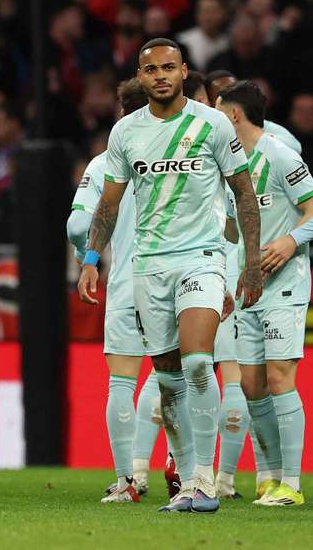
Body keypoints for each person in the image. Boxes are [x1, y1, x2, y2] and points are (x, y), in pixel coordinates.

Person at [78, 38, 262, 513]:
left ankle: (203, 478)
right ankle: (188, 484)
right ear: (140, 77)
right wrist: (91, 260)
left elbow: (244, 194)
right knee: (168, 378)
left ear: (183, 72)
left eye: (168, 67)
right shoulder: (125, 134)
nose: (159, 75)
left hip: (201, 258)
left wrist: (251, 261)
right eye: (150, 69)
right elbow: (109, 205)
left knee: (199, 362)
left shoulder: (213, 124)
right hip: (149, 265)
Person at [216, 81, 312, 507]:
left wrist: (291, 241)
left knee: (278, 378)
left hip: (286, 282)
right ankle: (269, 476)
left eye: (217, 111)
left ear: (234, 115)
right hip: (247, 287)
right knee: (252, 385)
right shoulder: (230, 165)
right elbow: (235, 229)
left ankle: (291, 483)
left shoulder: (279, 154)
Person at [68, 77, 152, 502]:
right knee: (179, 377)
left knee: (122, 381)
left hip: (125, 284)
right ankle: (195, 475)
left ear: (121, 112)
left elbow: (78, 225)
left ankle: (128, 481)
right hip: (183, 277)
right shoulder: (186, 155)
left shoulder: (104, 164)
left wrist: (90, 258)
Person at [206, 70, 304, 155]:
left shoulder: (255, 123)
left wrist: (255, 138)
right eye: (222, 94)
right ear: (210, 101)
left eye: (234, 89)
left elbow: (295, 146)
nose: (231, 96)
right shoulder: (207, 132)